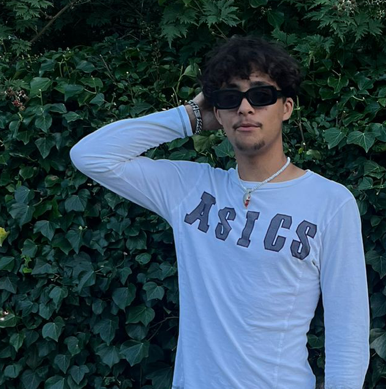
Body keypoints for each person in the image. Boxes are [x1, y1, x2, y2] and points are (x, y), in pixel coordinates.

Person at [70, 35, 370, 389]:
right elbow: (90, 155)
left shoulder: (330, 203)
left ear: (286, 107)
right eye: (230, 98)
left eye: (261, 95)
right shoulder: (189, 189)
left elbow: (347, 333)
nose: (245, 108)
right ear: (218, 113)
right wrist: (190, 116)